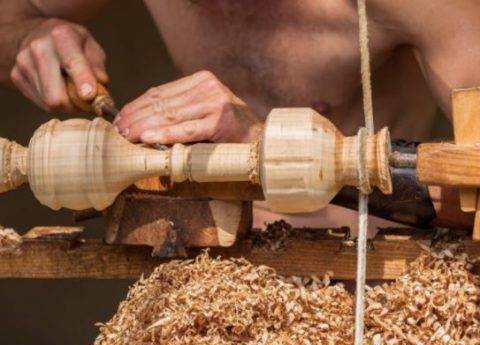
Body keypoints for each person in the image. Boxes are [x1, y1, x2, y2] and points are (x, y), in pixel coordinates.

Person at [1, 0, 478, 231]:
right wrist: (32, 36)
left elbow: (475, 179)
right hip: (202, 291)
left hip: (373, 303)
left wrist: (270, 149)